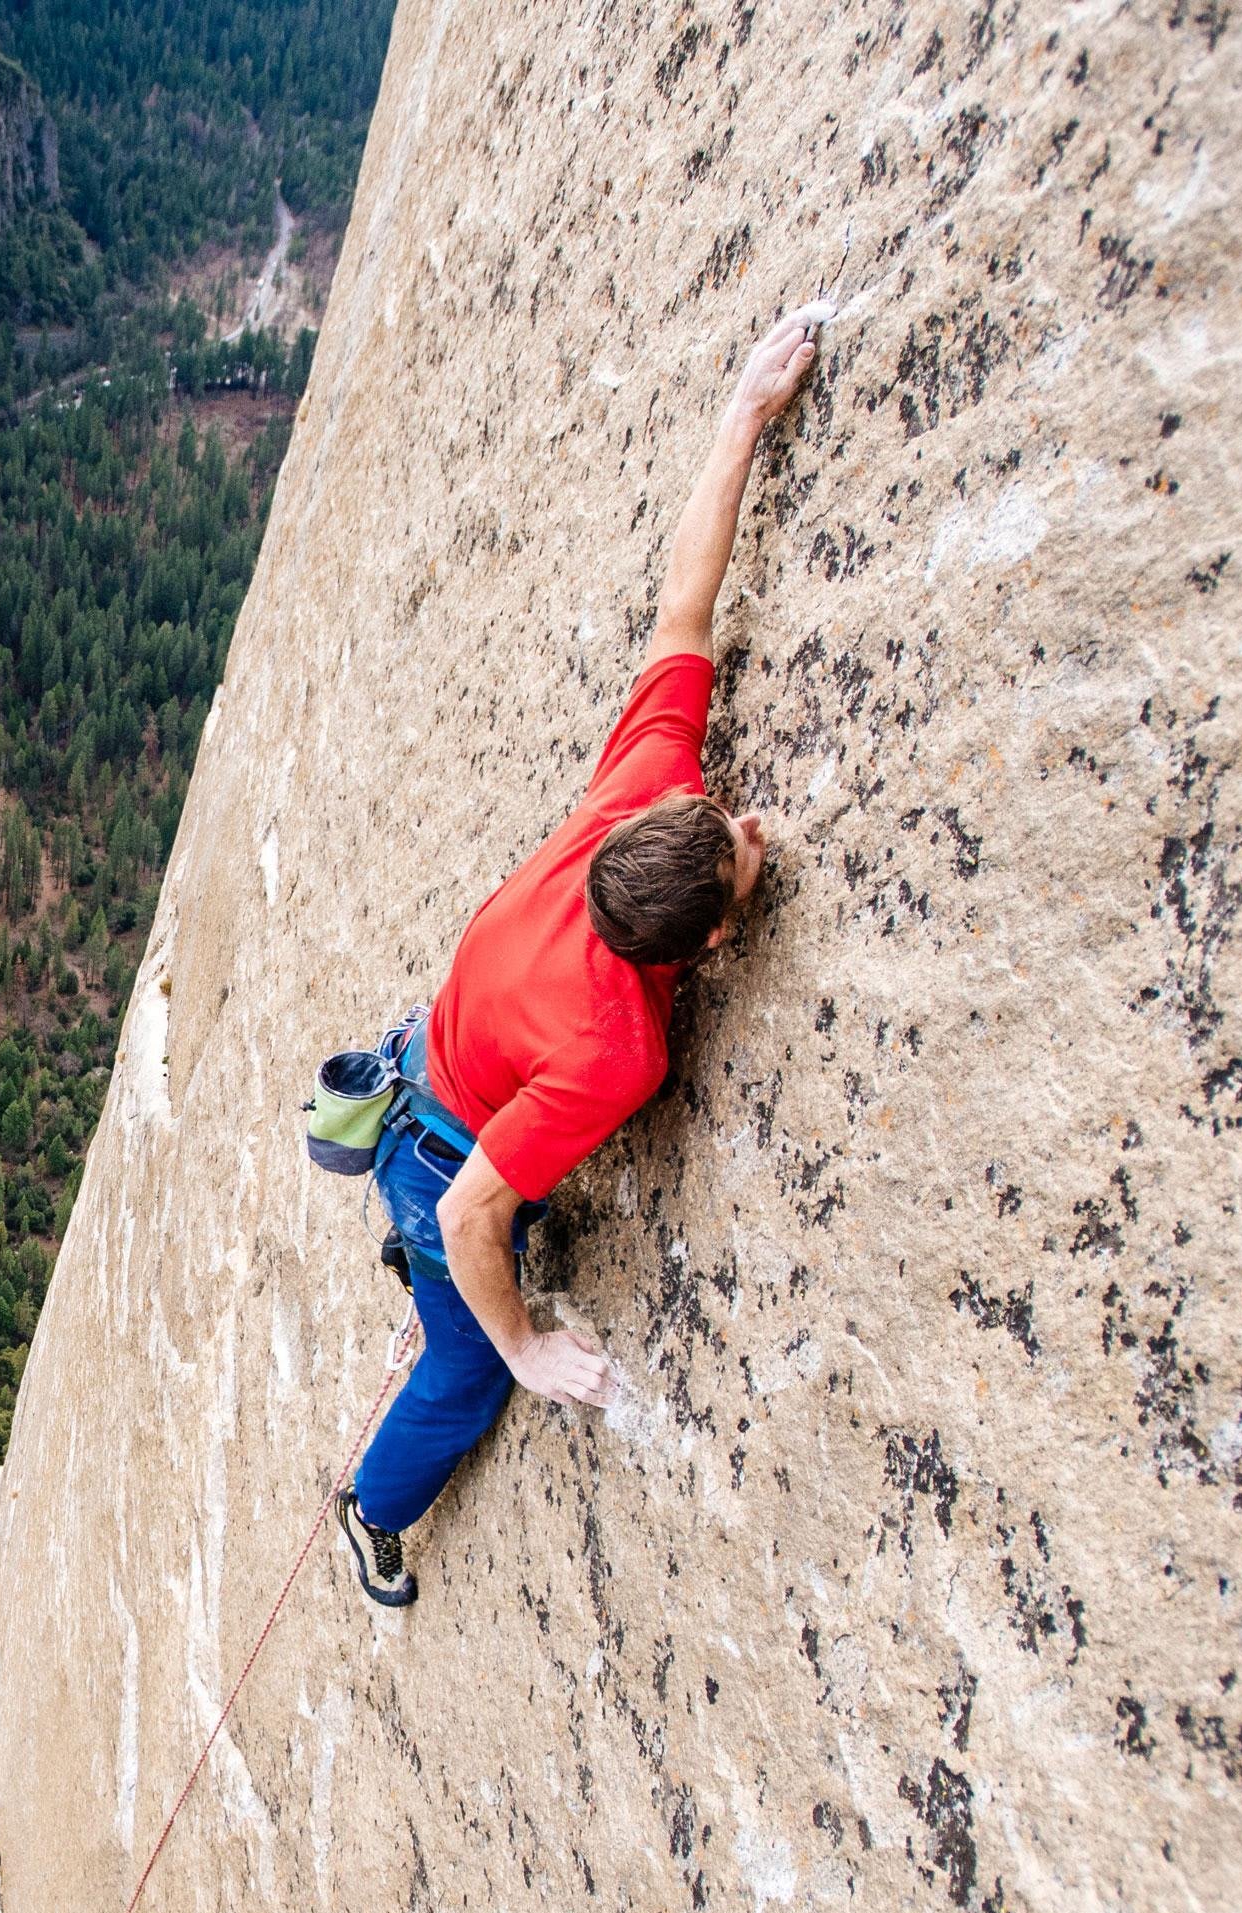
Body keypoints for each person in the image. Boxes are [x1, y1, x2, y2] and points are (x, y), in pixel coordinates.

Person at [335, 306, 823, 1608]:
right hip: (438, 1152)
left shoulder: (643, 790)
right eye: (736, 847)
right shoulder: (619, 1047)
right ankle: (370, 1513)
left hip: (437, 1056)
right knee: (462, 1372)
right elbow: (470, 1211)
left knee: (484, 1209)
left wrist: (742, 420)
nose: (746, 823)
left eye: (723, 825)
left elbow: (686, 601)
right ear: (707, 943)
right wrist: (527, 1340)